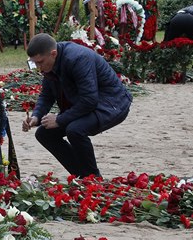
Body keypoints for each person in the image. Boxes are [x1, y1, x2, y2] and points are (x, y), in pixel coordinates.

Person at [22, 33, 132, 178]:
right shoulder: (50, 63)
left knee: (75, 129)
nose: (38, 67)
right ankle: (82, 175)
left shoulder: (77, 58)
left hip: (112, 103)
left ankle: (93, 178)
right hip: (88, 102)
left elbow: (89, 100)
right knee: (44, 134)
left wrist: (60, 119)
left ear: (53, 54)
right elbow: (46, 95)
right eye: (35, 63)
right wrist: (36, 117)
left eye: (40, 62)